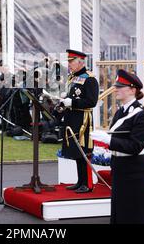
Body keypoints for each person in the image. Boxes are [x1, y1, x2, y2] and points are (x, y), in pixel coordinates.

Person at [91, 69, 144, 224]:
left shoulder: (142, 115)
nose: (116, 89)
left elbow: (136, 146)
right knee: (121, 213)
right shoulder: (121, 112)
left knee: (137, 215)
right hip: (121, 168)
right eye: (116, 85)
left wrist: (109, 140)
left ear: (132, 89)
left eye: (120, 86)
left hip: (136, 172)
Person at [56, 49, 99, 193]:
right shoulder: (71, 78)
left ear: (80, 62)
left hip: (83, 119)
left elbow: (92, 101)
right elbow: (70, 97)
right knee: (75, 150)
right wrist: (63, 102)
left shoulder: (90, 78)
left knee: (83, 149)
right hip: (71, 117)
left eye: (71, 62)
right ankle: (80, 181)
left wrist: (72, 103)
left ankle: (87, 183)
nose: (69, 65)